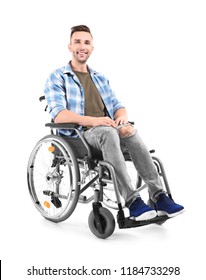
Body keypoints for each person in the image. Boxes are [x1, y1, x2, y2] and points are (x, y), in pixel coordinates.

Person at [44, 25, 184, 221]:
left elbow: (118, 105)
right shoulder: (57, 77)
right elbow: (59, 115)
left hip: (108, 128)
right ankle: (132, 201)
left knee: (129, 130)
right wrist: (94, 121)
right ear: (69, 46)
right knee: (108, 133)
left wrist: (122, 117)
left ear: (92, 48)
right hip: (80, 134)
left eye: (87, 42)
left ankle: (159, 196)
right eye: (77, 42)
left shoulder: (100, 78)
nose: (82, 46)